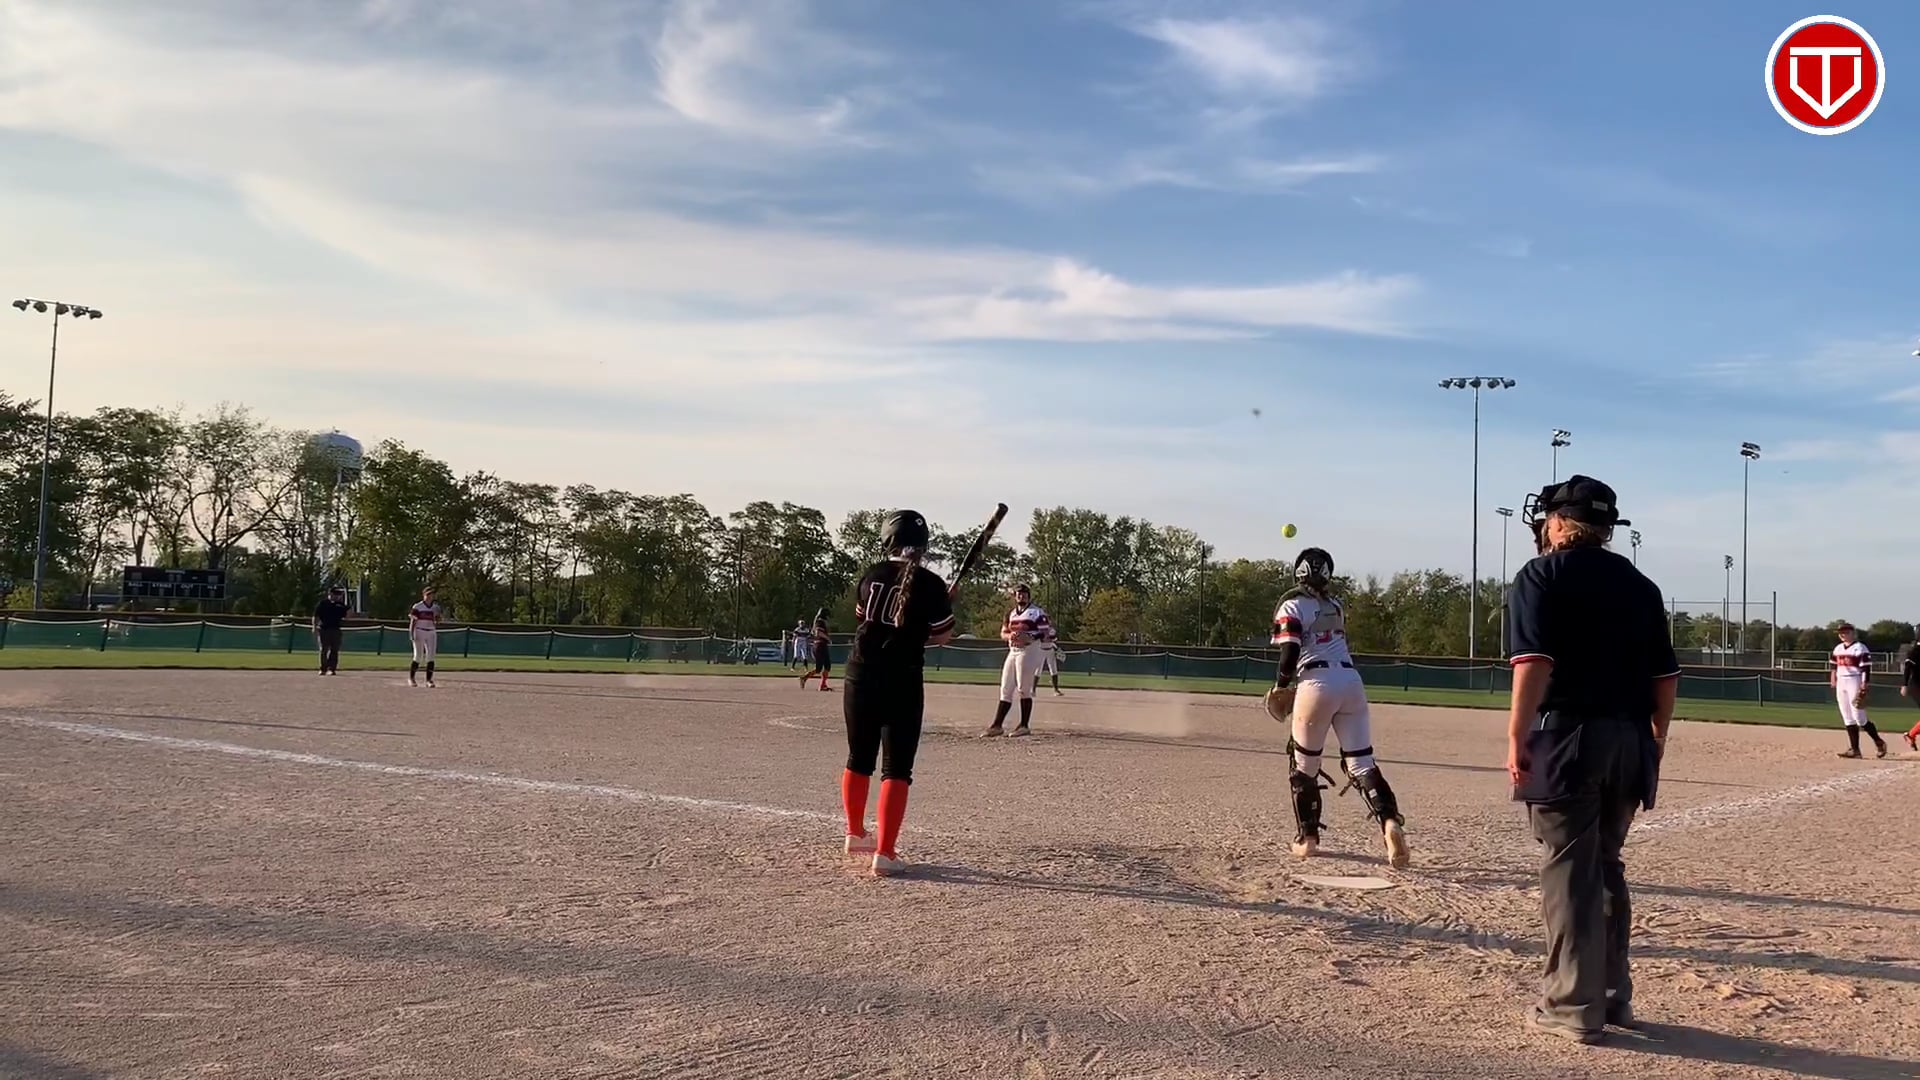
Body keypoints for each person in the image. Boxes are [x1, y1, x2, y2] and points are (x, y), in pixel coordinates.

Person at [1505, 475, 1677, 1045]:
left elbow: (1534, 662)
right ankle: (1611, 996)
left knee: (1569, 869)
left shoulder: (1541, 574)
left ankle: (1572, 1005)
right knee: (1606, 864)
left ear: (1558, 523)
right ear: (1605, 528)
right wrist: (1656, 738)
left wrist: (1516, 735)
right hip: (1629, 738)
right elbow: (1665, 676)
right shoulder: (1641, 585)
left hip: (1567, 736)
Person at [1270, 547, 1410, 868]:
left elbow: (1290, 653)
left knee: (1303, 766)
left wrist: (1280, 685)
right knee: (1361, 763)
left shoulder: (1292, 605)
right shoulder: (1336, 605)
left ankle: (1307, 839)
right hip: (1350, 682)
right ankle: (1390, 822)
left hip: (1315, 682)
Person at [840, 509, 956, 876]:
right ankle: (885, 853)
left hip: (860, 673)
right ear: (922, 546)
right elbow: (941, 635)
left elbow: (866, 618)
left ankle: (856, 834)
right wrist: (940, 605)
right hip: (901, 678)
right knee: (897, 768)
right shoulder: (932, 584)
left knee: (859, 757)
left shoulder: (871, 575)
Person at [983, 583, 1054, 737]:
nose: (1022, 596)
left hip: (1028, 651)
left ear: (1029, 596)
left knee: (1023, 688)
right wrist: (1011, 636)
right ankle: (997, 725)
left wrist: (1030, 636)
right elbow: (1003, 633)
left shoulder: (1036, 612)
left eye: (1024, 593)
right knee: (1006, 688)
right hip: (1013, 651)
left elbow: (1046, 632)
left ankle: (1024, 725)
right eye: (1019, 594)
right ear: (1015, 596)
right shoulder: (1011, 614)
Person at [1830, 623, 1888, 758]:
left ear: (1852, 633)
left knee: (1859, 717)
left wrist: (1864, 683)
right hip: (1841, 681)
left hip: (1854, 679)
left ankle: (1879, 742)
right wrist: (1833, 678)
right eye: (1840, 633)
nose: (1842, 635)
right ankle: (1855, 750)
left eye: (1845, 632)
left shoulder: (1860, 647)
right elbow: (1833, 665)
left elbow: (1866, 668)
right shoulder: (1838, 648)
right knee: (1847, 716)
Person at [408, 586, 442, 688]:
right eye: (428, 594)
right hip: (419, 631)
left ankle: (429, 680)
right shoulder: (418, 606)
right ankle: (412, 678)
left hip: (431, 631)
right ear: (424, 595)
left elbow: (437, 621)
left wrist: (438, 617)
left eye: (431, 594)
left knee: (431, 656)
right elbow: (413, 620)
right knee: (418, 656)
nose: (430, 596)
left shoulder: (435, 607)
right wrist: (411, 633)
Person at [312, 586, 350, 675]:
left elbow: (348, 616)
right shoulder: (323, 604)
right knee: (323, 649)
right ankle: (323, 668)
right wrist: (314, 626)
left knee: (334, 650)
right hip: (324, 629)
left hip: (336, 629)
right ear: (330, 594)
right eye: (336, 594)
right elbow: (316, 616)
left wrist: (347, 607)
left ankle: (331, 669)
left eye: (339, 594)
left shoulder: (340, 605)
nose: (338, 596)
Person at [800, 609, 833, 691]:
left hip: (821, 645)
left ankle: (823, 685)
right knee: (819, 668)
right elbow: (818, 632)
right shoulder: (820, 622)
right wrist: (828, 638)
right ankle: (804, 678)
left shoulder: (818, 621)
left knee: (827, 666)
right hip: (820, 646)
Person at [1901, 626, 1920, 752]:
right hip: (1916, 686)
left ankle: (1911, 735)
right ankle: (1911, 734)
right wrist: (1905, 685)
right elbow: (1908, 668)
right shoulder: (1916, 651)